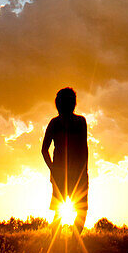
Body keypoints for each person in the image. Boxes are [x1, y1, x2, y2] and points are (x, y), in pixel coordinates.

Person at [41, 87, 88, 231]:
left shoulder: (78, 122)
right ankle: (62, 242)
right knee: (69, 209)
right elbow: (44, 150)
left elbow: (84, 148)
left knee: (71, 209)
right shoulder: (57, 123)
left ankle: (69, 241)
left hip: (71, 173)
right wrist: (53, 169)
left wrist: (53, 169)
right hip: (66, 173)